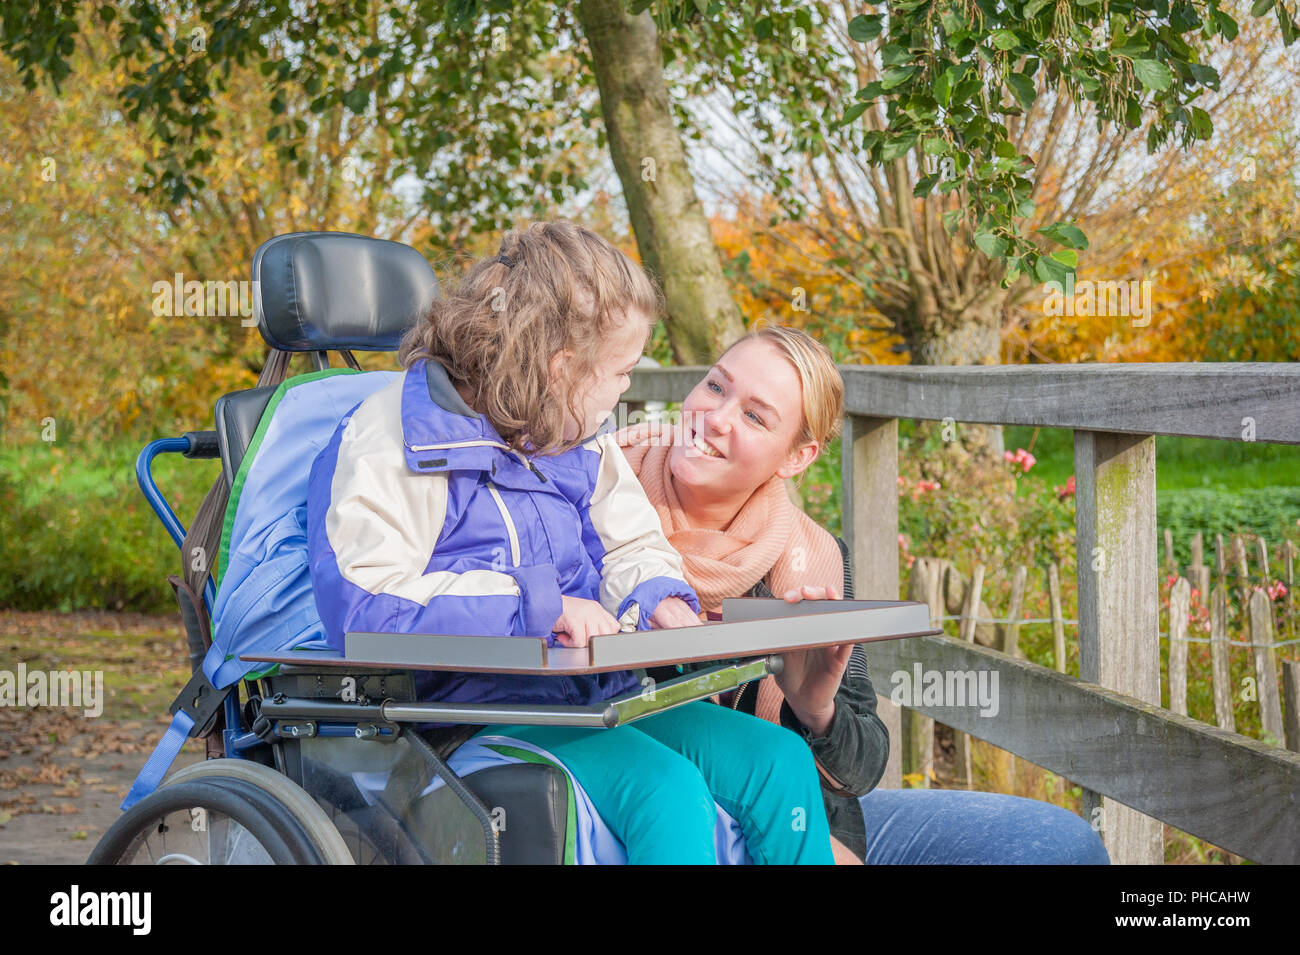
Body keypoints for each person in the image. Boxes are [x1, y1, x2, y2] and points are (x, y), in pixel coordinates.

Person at [305, 221, 834, 864]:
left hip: (586, 698)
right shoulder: (392, 438)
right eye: (621, 372)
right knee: (666, 792)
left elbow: (630, 542)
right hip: (459, 718)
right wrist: (542, 606)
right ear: (562, 369)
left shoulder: (575, 433)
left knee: (775, 759)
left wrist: (657, 596)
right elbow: (365, 605)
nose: (625, 393)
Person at [616, 324, 1111, 865]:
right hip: (659, 816)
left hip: (807, 819)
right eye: (715, 386)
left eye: (755, 416)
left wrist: (815, 709)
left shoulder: (813, 557)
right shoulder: (600, 509)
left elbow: (862, 767)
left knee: (1059, 844)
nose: (714, 417)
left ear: (796, 458)